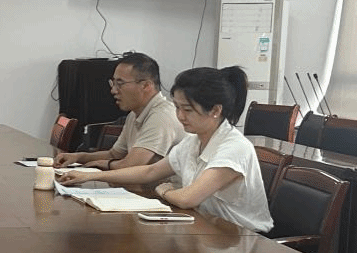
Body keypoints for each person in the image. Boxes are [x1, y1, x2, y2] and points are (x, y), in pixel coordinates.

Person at [60, 66, 273, 233]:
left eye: (187, 109)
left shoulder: (234, 148)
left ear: (215, 110)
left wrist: (164, 190)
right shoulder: (193, 141)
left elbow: (188, 198)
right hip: (206, 229)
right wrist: (90, 176)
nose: (180, 116)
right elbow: (150, 171)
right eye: (177, 107)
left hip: (240, 239)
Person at [55, 52, 184, 170]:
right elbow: (114, 154)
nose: (113, 90)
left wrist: (103, 165)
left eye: (120, 84)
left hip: (165, 188)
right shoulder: (134, 114)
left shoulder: (162, 116)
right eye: (113, 83)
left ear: (146, 85)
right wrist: (78, 157)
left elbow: (132, 166)